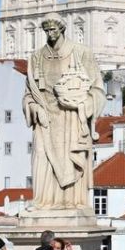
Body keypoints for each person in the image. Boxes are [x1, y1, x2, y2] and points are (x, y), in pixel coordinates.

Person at [24, 16, 106, 209]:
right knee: (41, 157)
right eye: (46, 30)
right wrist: (35, 108)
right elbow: (28, 94)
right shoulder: (36, 57)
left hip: (71, 119)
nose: (50, 34)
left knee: (70, 159)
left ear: (62, 30)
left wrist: (82, 105)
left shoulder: (81, 53)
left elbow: (98, 89)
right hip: (45, 119)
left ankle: (72, 201)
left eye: (53, 30)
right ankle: (42, 201)